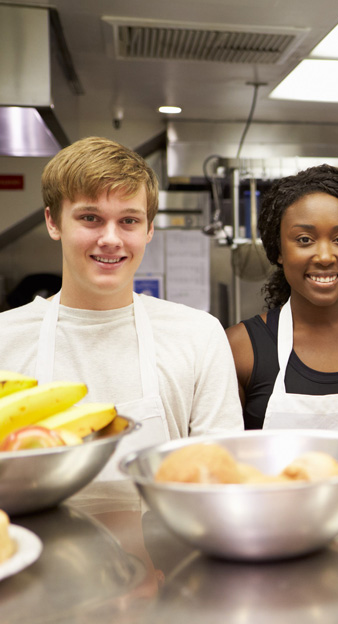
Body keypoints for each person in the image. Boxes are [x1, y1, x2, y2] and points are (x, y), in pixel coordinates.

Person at [0, 136, 243, 479]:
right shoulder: (4, 338)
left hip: (166, 531)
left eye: (129, 220)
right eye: (90, 218)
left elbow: (219, 473)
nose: (111, 239)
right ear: (53, 222)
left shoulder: (198, 335)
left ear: (148, 229)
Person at [226, 164, 338, 431]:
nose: (324, 256)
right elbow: (224, 459)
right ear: (278, 250)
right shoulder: (240, 349)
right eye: (305, 239)